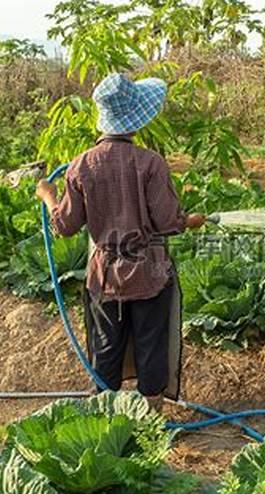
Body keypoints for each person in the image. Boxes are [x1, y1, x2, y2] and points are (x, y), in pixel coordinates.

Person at [36, 73, 206, 410]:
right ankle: (153, 418)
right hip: (149, 274)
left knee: (106, 345)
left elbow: (65, 226)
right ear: (135, 119)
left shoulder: (81, 165)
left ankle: (107, 415)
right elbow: (168, 223)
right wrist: (191, 221)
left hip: (105, 276)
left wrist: (48, 196)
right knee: (151, 341)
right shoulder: (150, 163)